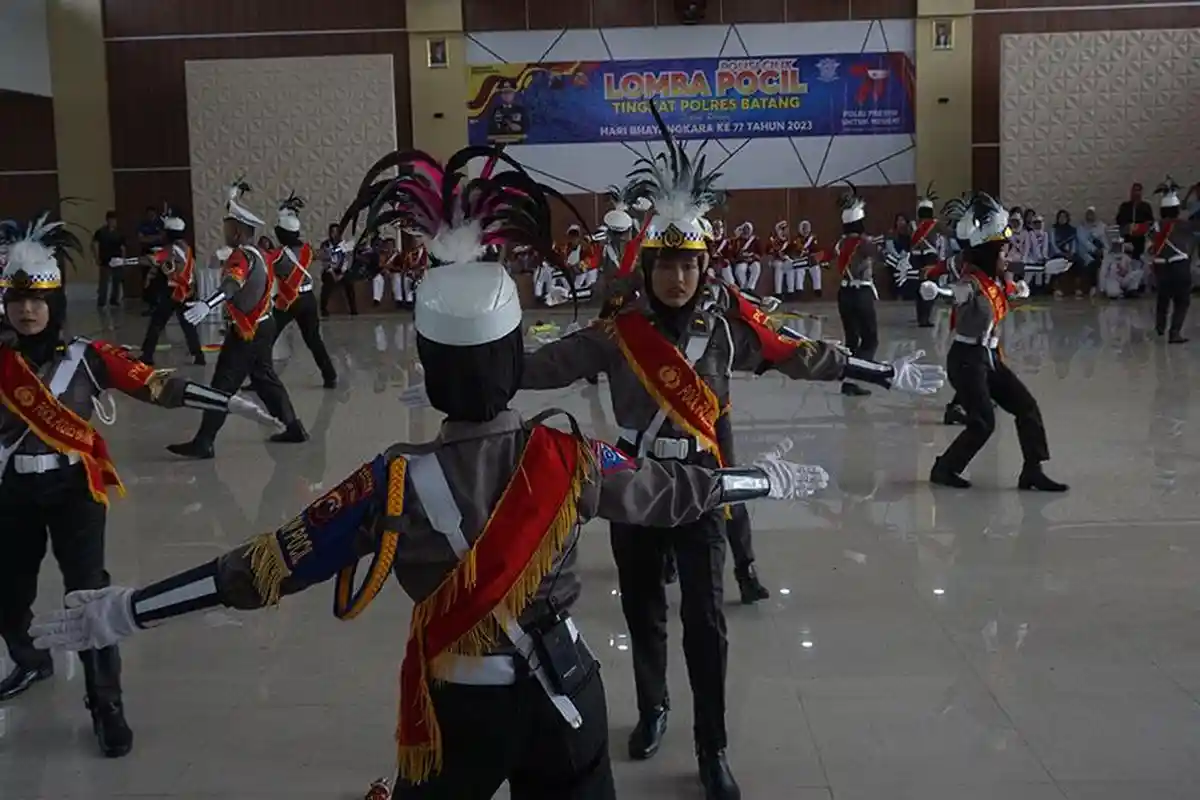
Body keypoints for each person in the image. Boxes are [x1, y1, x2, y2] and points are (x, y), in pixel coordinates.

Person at [28, 146, 829, 800]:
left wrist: (132, 609)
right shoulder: (571, 455)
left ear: (430, 365)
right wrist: (766, 482)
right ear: (515, 358)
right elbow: (683, 491)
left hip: (459, 714)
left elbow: (265, 568)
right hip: (569, 701)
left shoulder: (391, 482)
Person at [515, 105, 944, 800]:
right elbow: (550, 362)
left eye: (690, 264)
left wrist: (883, 372)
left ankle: (710, 746)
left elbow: (803, 354)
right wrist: (471, 365)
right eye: (667, 264)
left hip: (705, 486)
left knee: (706, 621)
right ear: (649, 265)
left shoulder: (725, 329)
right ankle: (654, 706)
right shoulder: (618, 332)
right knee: (643, 610)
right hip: (633, 487)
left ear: (703, 263)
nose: (678, 278)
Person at [0, 212, 280, 757]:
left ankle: (105, 701)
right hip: (12, 493)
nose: (27, 310)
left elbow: (157, 385)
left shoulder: (87, 357)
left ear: (54, 304)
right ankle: (29, 660)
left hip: (75, 492)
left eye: (37, 300)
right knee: (8, 592)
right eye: (17, 301)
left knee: (89, 596)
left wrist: (230, 402)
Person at [924, 193, 1068, 492]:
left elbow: (1017, 271)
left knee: (1027, 407)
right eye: (1003, 251)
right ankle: (944, 468)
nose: (1008, 256)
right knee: (983, 423)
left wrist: (1044, 269)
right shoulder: (972, 282)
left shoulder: (995, 277)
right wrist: (938, 292)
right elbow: (958, 294)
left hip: (988, 358)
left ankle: (1032, 470)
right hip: (966, 360)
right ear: (990, 254)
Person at [167, 180, 309, 458]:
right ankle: (293, 427)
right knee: (265, 378)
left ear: (239, 230)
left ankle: (204, 441)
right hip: (265, 324)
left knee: (222, 385)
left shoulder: (241, 256)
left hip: (247, 331)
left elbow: (232, 285)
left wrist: (207, 305)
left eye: (228, 227)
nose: (225, 231)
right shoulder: (263, 254)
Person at [269, 192, 338, 388]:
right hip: (308, 299)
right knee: (314, 340)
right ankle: (330, 376)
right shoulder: (307, 250)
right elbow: (326, 255)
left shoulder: (277, 254)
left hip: (288, 301)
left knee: (266, 339)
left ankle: (261, 378)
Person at [137, 210, 204, 366]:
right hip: (187, 292)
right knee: (188, 326)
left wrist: (124, 262)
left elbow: (152, 260)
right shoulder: (186, 248)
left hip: (173, 293)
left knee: (157, 323)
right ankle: (198, 355)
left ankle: (147, 355)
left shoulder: (170, 249)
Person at [834, 182, 882, 396]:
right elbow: (878, 255)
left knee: (852, 339)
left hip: (843, 294)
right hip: (861, 293)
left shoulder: (840, 243)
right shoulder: (863, 243)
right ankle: (855, 376)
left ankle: (848, 381)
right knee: (870, 339)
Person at [1147, 177, 1193, 343]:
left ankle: (1160, 328)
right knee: (1182, 301)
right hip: (1179, 265)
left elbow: (1149, 242)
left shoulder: (1155, 226)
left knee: (1163, 299)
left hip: (1161, 267)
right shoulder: (1183, 225)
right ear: (1176, 210)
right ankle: (1174, 333)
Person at [910, 185, 945, 326]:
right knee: (930, 288)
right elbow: (950, 232)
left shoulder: (913, 224)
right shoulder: (935, 224)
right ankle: (925, 317)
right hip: (930, 259)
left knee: (919, 287)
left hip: (916, 259)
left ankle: (920, 316)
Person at [319, 224, 358, 317]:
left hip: (342, 270)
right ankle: (323, 308)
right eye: (332, 232)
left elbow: (348, 260)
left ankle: (353, 308)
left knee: (349, 283)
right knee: (327, 285)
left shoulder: (344, 245)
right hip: (330, 270)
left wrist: (342, 273)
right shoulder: (325, 245)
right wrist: (333, 274)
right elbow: (325, 261)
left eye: (336, 232)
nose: (334, 234)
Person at [91, 211, 126, 309]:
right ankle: (102, 301)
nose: (112, 222)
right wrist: (96, 257)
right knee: (104, 282)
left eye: (114, 220)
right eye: (111, 220)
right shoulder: (101, 232)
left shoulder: (119, 233)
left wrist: (123, 260)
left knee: (116, 281)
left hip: (117, 260)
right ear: (107, 220)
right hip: (105, 259)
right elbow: (94, 245)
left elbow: (123, 247)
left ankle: (114, 300)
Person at [1116, 182, 1155, 263]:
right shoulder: (1125, 206)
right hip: (1127, 237)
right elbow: (1119, 220)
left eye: (1138, 191)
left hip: (1141, 238)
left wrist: (1140, 227)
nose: (1136, 193)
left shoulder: (1145, 206)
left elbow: (1150, 222)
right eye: (1134, 191)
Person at [135, 206, 164, 315]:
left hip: (160, 254)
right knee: (147, 278)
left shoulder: (160, 224)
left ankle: (159, 303)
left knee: (158, 278)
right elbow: (141, 238)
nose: (151, 216)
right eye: (149, 214)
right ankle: (150, 304)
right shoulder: (143, 225)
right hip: (147, 253)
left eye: (153, 214)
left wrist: (150, 238)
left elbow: (162, 237)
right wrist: (154, 238)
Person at [885, 211, 917, 303]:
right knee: (896, 269)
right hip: (895, 259)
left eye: (902, 220)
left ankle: (909, 295)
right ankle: (897, 294)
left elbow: (915, 245)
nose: (900, 222)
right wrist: (899, 258)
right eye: (898, 220)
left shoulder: (910, 234)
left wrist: (914, 228)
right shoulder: (892, 234)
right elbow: (890, 248)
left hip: (908, 259)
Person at [730, 221, 762, 292]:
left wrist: (753, 257)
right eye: (744, 229)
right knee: (740, 270)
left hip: (752, 260)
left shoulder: (755, 240)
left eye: (748, 229)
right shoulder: (738, 240)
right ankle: (744, 287)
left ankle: (750, 288)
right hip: (741, 260)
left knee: (756, 267)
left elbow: (760, 253)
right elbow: (734, 253)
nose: (746, 231)